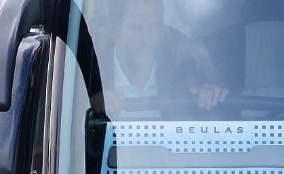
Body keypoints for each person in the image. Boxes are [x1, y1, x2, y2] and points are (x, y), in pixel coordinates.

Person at [91, 0, 227, 115]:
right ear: (114, 30)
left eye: (154, 26)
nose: (147, 38)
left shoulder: (183, 67)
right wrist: (94, 107)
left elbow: (207, 124)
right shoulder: (91, 72)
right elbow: (76, 133)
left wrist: (208, 96)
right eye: (136, 28)